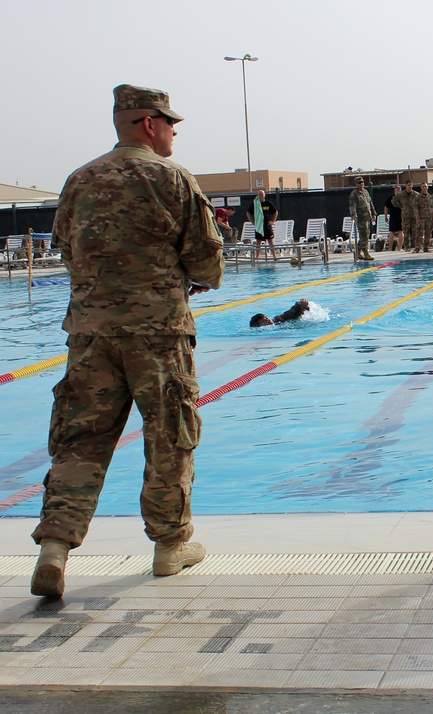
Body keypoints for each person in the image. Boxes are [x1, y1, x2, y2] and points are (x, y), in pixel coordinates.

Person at [29, 84, 225, 599]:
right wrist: (186, 276)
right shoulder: (172, 178)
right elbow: (207, 260)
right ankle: (169, 545)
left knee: (81, 440)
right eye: (169, 122)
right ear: (147, 124)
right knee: (169, 433)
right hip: (158, 332)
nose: (174, 131)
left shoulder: (80, 179)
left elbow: (68, 252)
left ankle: (55, 545)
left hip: (90, 332)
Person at [349, 176, 376, 260]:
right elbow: (352, 205)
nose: (361, 184)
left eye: (362, 182)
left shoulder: (366, 192)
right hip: (360, 217)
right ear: (356, 184)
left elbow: (370, 203)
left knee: (366, 235)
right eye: (359, 183)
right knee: (363, 235)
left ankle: (357, 252)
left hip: (367, 216)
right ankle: (366, 253)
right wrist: (353, 215)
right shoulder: (354, 194)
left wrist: (373, 213)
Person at [247, 189, 278, 262]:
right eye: (259, 194)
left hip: (267, 225)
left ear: (264, 195)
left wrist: (273, 221)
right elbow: (248, 213)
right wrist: (253, 222)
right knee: (258, 241)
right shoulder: (255, 204)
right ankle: (257, 258)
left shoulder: (268, 203)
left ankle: (274, 257)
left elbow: (275, 212)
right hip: (259, 225)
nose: (261, 195)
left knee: (270, 241)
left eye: (262, 194)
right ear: (257, 195)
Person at [393, 180, 420, 251]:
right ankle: (407, 246)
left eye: (411, 185)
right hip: (405, 216)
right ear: (406, 185)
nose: (410, 186)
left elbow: (420, 202)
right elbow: (393, 200)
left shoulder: (416, 194)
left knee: (414, 231)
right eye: (409, 185)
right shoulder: (401, 195)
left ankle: (415, 246)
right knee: (406, 231)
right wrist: (400, 206)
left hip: (414, 215)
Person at [384, 186, 403, 251]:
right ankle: (399, 247)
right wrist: (386, 216)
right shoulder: (402, 198)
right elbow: (386, 207)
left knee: (392, 232)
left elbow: (386, 208)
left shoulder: (391, 198)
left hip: (394, 216)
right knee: (400, 231)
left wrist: (386, 216)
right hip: (399, 216)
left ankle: (390, 248)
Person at [415, 182, 433, 252]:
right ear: (421, 188)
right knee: (420, 233)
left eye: (425, 186)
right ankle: (417, 248)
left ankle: (426, 247)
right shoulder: (418, 197)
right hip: (421, 217)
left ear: (427, 187)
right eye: (423, 186)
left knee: (428, 233)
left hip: (429, 218)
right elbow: (415, 208)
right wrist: (418, 217)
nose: (424, 188)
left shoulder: (430, 197)